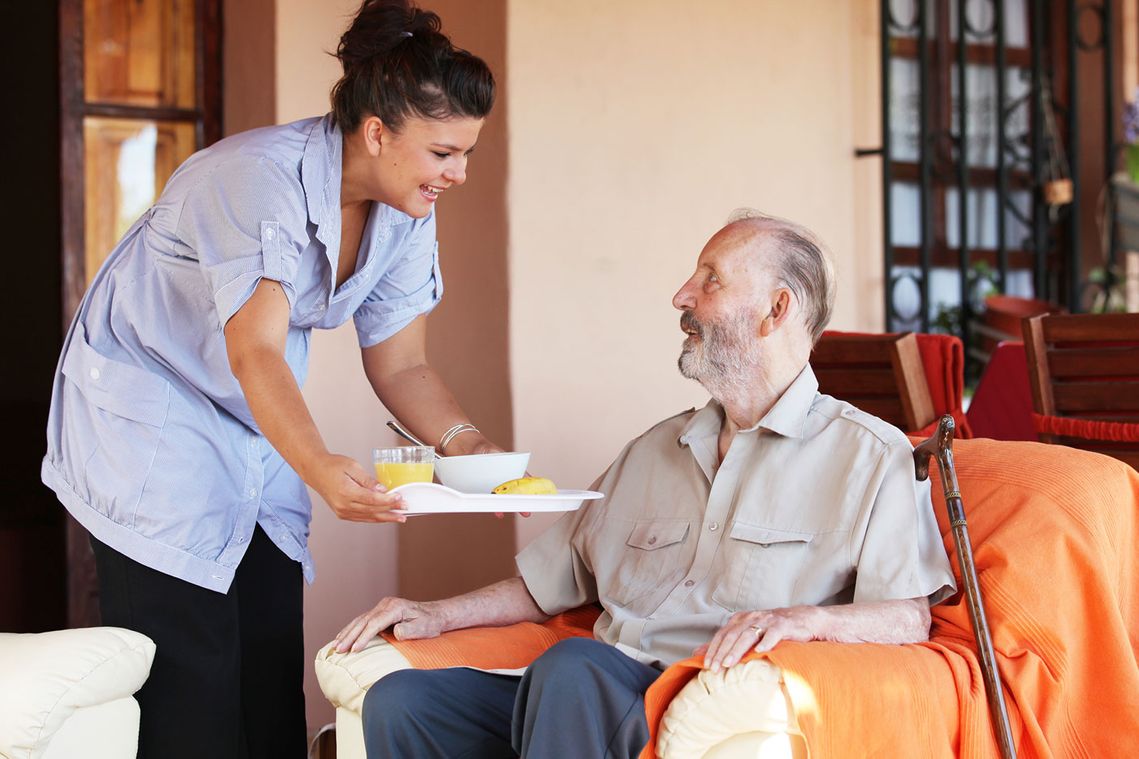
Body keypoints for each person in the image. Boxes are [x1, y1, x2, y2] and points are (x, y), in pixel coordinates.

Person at [40, 2, 499, 757]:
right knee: (190, 689)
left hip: (251, 419)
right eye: (444, 152)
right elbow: (254, 348)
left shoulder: (406, 209)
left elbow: (401, 361)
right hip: (152, 419)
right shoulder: (255, 180)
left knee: (269, 671)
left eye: (467, 153)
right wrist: (319, 467)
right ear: (378, 131)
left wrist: (469, 446)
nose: (458, 174)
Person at [333, 210, 957, 758]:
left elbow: (905, 617)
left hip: (687, 690)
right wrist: (434, 614)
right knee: (402, 700)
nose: (682, 295)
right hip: (584, 690)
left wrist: (801, 621)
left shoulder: (869, 457)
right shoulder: (654, 449)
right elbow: (549, 583)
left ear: (777, 310)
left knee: (573, 669)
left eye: (711, 279)